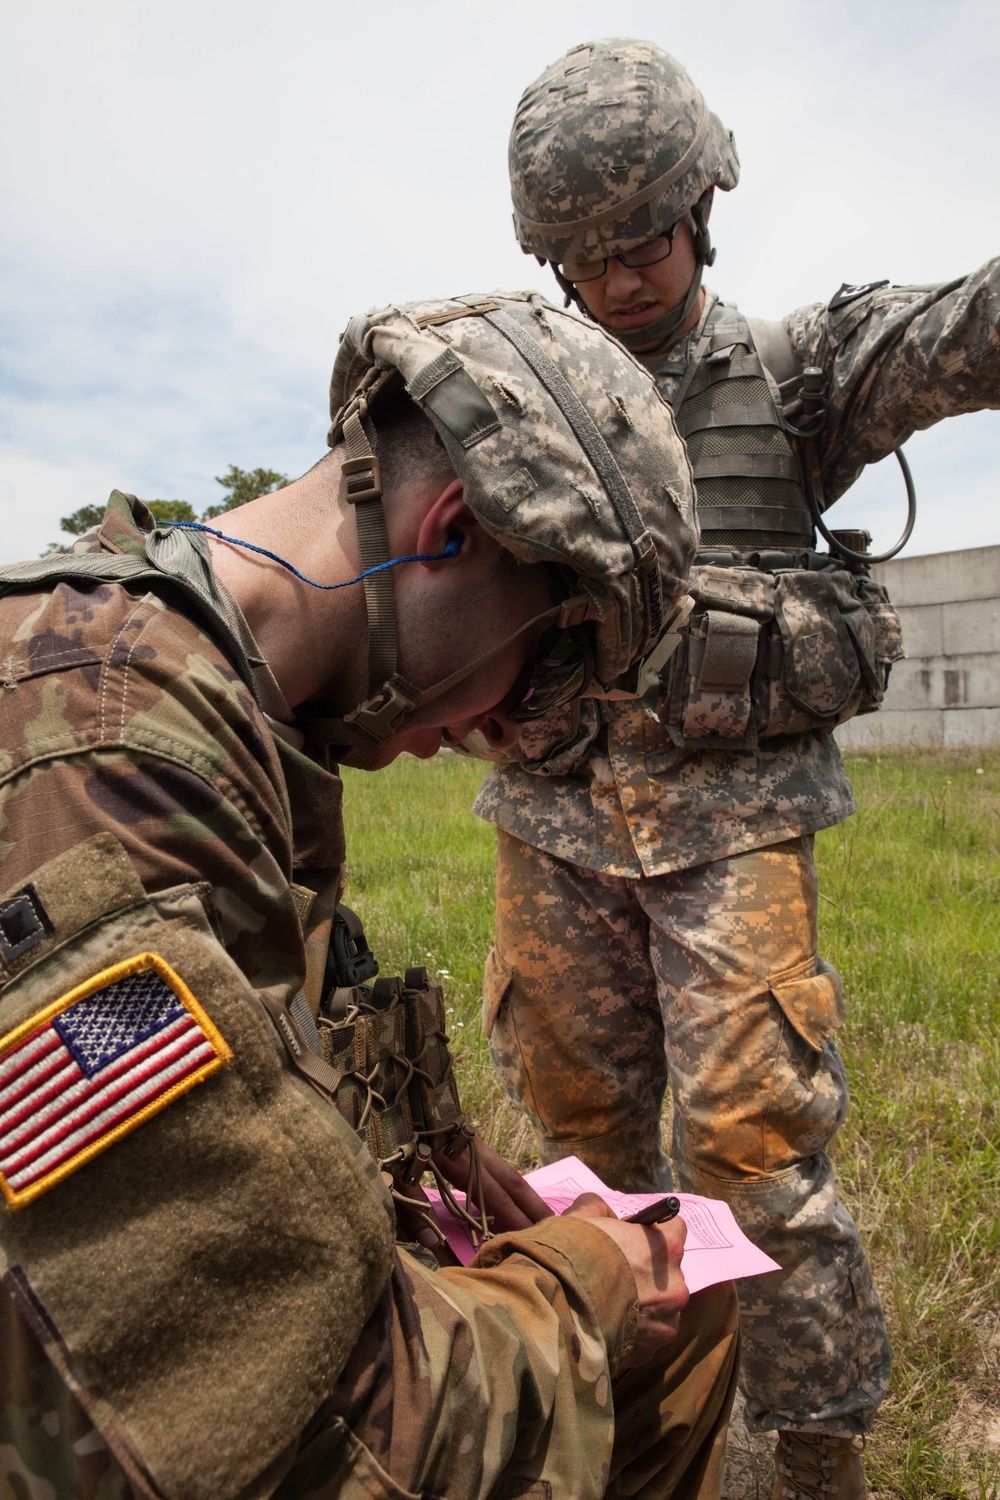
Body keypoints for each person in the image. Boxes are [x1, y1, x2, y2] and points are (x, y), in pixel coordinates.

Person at [0, 292, 740, 1499]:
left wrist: (421, 1155)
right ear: (450, 529)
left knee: (681, 1312)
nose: (505, 733)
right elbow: (301, 1441)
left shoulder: (206, 696)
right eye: (551, 662)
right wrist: (584, 1279)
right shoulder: (110, 766)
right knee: (645, 1303)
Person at [475, 37, 1000, 1500]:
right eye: (586, 254)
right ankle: (624, 1423)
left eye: (646, 236)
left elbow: (965, 329)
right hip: (554, 828)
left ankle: (815, 1449)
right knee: (578, 1156)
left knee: (757, 1155)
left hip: (735, 832)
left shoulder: (794, 375)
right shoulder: (506, 406)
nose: (623, 275)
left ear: (705, 206)